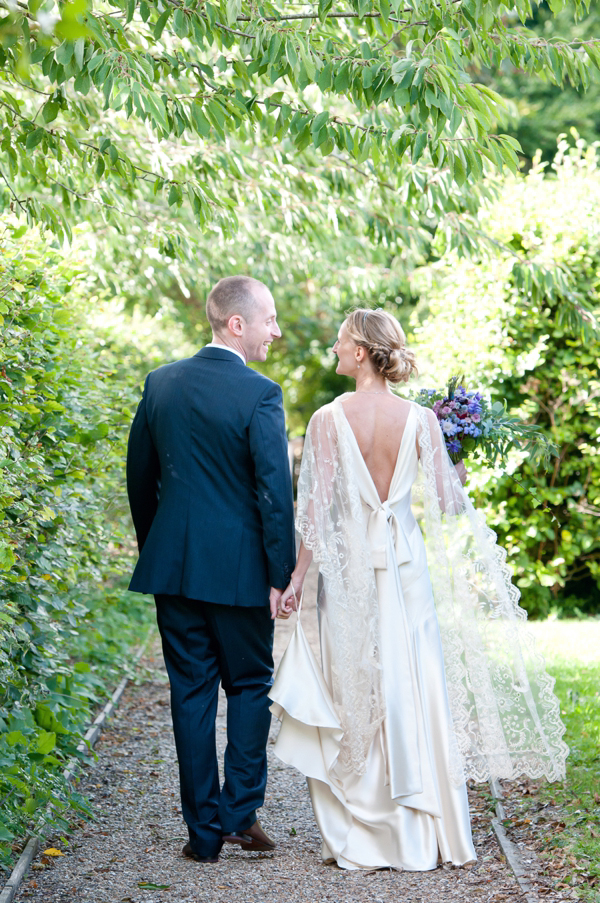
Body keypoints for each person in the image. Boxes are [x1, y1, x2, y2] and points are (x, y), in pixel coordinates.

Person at [270, 308, 568, 871]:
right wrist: (455, 450)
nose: (333, 349)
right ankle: (423, 825)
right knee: (415, 682)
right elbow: (448, 502)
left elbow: (313, 510)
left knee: (356, 679)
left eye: (339, 342)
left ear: (361, 351)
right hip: (407, 570)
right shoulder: (421, 420)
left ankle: (366, 825)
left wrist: (296, 578)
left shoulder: (327, 420)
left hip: (352, 570)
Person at [126, 275, 296, 863]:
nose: (276, 331)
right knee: (250, 685)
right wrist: (281, 572)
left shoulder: (160, 383)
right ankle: (239, 812)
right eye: (270, 319)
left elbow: (139, 478)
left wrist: (162, 548)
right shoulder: (260, 394)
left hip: (174, 568)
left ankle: (204, 835)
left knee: (190, 694)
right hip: (242, 571)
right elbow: (275, 490)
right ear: (237, 323)